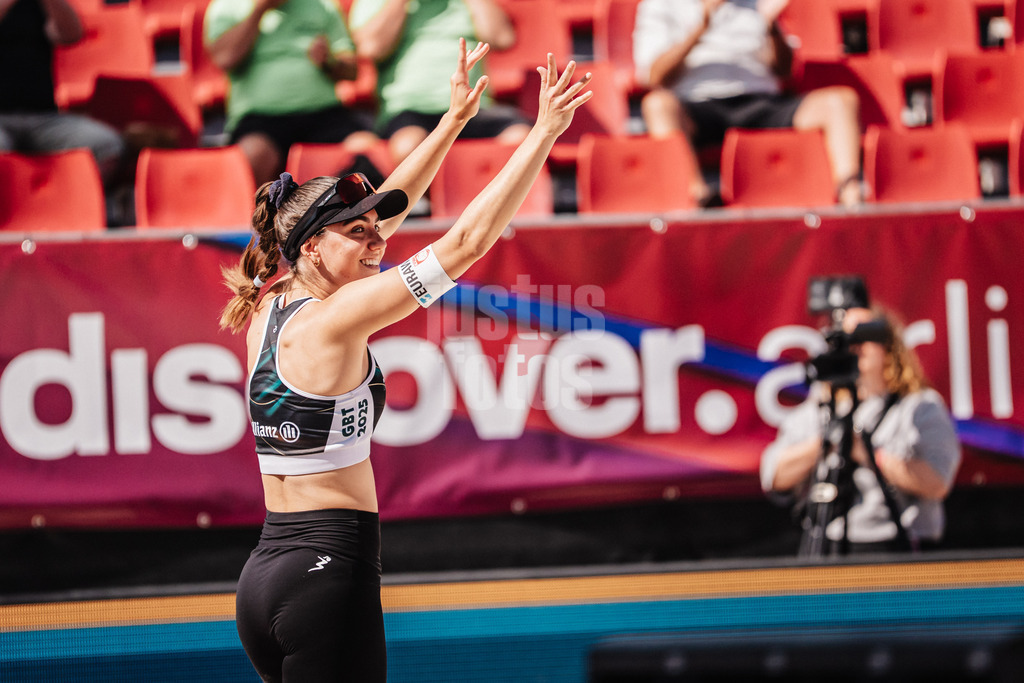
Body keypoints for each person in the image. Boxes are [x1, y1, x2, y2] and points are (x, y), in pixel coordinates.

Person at [220, 41, 591, 682]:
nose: (377, 245)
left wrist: (452, 122)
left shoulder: (267, 298)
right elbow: (470, 241)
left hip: (265, 574)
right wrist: (542, 135)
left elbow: (387, 205)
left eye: (376, 232)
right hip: (326, 575)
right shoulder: (339, 316)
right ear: (311, 246)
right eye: (357, 234)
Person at [760, 305, 962, 555]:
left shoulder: (919, 406)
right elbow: (773, 477)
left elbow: (938, 483)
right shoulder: (820, 409)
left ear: (888, 347)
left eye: (864, 337)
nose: (855, 346)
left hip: (899, 549)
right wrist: (827, 442)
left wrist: (868, 453)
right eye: (846, 339)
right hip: (827, 546)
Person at [632, 0, 863, 207]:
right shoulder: (659, 5)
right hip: (696, 104)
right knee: (657, 105)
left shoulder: (759, 3)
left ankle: (851, 195)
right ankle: (696, 196)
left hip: (762, 101)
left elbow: (785, 72)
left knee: (840, 102)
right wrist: (700, 28)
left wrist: (772, 28)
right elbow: (653, 76)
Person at [204, 0, 381, 185]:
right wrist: (260, 9)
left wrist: (330, 62)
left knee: (367, 147)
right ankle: (261, 213)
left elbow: (352, 70)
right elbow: (224, 58)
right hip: (260, 120)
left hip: (325, 115)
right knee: (253, 154)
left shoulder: (324, 5)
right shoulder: (226, 6)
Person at [348, 0, 532, 169]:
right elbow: (370, 48)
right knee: (409, 146)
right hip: (410, 110)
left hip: (472, 108)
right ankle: (422, 203)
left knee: (521, 139)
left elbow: (502, 38)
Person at [0, 0, 126, 185]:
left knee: (108, 145)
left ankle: (68, 205)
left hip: (44, 118)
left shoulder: (36, 7)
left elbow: (71, 34)